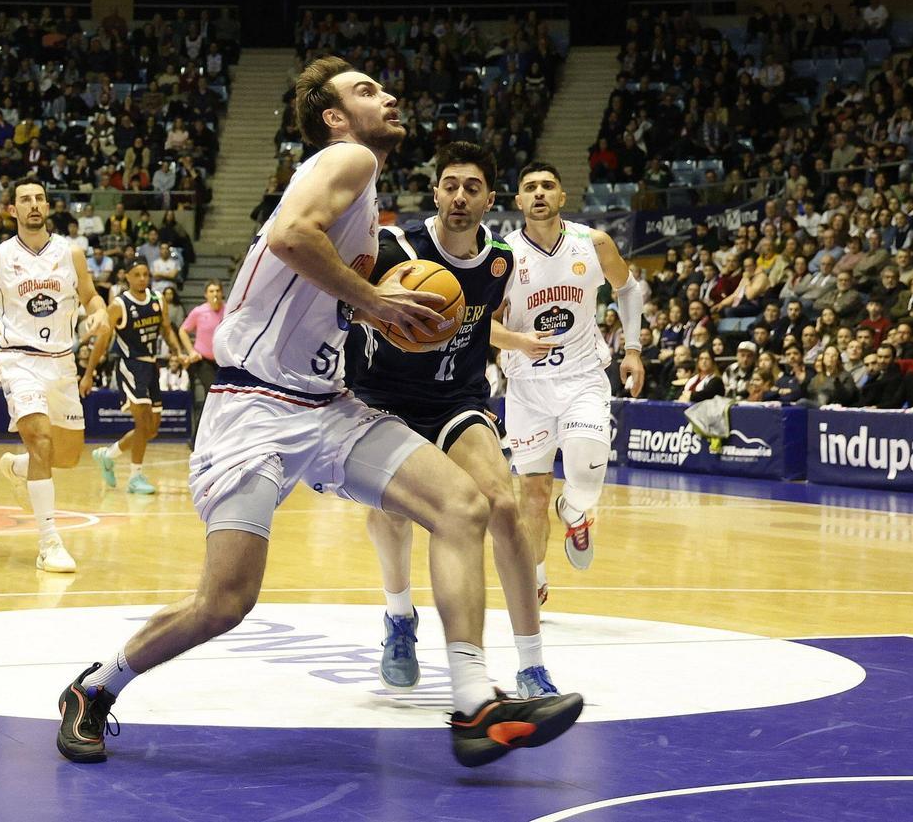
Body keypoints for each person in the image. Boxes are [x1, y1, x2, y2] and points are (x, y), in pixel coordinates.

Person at [54, 56, 583, 769]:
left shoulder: (360, 191)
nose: (388, 95)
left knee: (463, 505)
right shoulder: (350, 159)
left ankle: (471, 704)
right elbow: (288, 238)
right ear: (335, 119)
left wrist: (374, 312)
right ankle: (95, 686)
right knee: (226, 599)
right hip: (253, 407)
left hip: (326, 404)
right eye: (366, 91)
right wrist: (375, 302)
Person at [343, 142, 558, 697]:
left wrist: (516, 341)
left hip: (455, 398)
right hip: (382, 396)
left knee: (503, 504)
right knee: (394, 513)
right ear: (435, 191)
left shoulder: (499, 262)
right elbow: (343, 304)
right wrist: (377, 312)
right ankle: (399, 618)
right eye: (450, 185)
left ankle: (531, 663)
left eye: (472, 187)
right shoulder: (393, 247)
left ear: (489, 199)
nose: (459, 196)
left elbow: (471, 323)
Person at [498, 161, 645, 603]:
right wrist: (518, 341)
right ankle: (536, 579)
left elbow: (629, 289)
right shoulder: (501, 255)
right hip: (527, 387)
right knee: (534, 491)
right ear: (518, 201)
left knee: (585, 477)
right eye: (530, 187)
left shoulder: (592, 243)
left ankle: (576, 512)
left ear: (563, 197)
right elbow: (479, 323)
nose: (539, 193)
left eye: (548, 186)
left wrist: (633, 349)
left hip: (583, 378)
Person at [0, 179, 111, 572]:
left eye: (39, 198)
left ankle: (19, 466)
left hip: (61, 362)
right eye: (25, 200)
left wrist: (97, 311)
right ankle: (49, 542)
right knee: (41, 439)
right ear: (13, 211)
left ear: (48, 206)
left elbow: (92, 294)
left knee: (67, 456)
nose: (34, 205)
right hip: (19, 359)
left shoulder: (71, 253)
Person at [86, 258, 182, 494]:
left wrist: (177, 351)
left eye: (145, 274)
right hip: (129, 366)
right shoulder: (119, 305)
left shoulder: (158, 300)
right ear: (126, 276)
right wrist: (88, 374)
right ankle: (135, 477)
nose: (142, 278)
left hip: (151, 367)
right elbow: (102, 341)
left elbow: (167, 330)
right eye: (137, 274)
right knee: (142, 424)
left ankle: (108, 455)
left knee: (151, 429)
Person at [178, 279, 225, 437]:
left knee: (222, 399)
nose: (215, 294)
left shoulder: (229, 310)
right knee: (213, 394)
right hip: (203, 360)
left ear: (222, 293)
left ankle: (216, 436)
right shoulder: (199, 311)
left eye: (217, 290)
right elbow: (183, 330)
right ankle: (197, 439)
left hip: (223, 362)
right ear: (206, 294)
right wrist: (191, 351)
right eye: (211, 291)